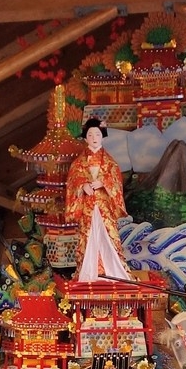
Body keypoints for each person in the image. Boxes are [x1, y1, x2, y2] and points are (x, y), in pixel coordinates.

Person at [64, 118, 131, 282]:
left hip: (104, 206)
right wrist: (82, 185)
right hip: (87, 206)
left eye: (97, 134)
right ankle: (87, 272)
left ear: (102, 137)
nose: (94, 137)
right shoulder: (78, 163)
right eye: (90, 134)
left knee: (110, 235)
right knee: (87, 237)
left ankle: (114, 272)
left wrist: (104, 183)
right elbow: (73, 181)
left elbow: (116, 181)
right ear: (85, 138)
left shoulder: (110, 163)